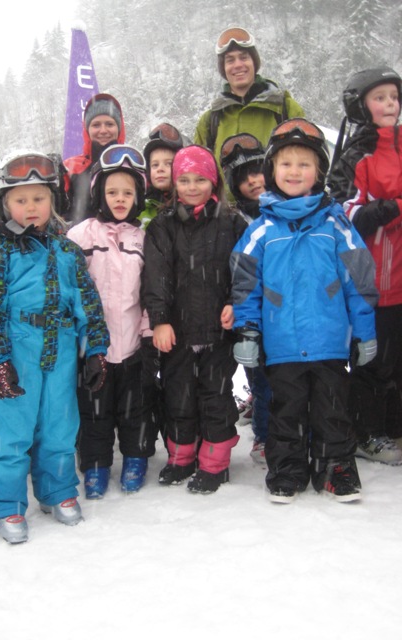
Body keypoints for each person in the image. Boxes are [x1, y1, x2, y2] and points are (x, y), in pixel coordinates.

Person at [0, 151, 109, 544]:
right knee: (10, 430)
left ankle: (57, 490)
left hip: (60, 348)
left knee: (60, 426)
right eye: (21, 200)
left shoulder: (66, 249)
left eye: (39, 198)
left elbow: (88, 302)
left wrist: (95, 349)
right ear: (5, 204)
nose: (31, 207)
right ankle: (5, 504)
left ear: (52, 201)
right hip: (16, 348)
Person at [230, 118, 379, 503]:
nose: (294, 171)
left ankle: (335, 469)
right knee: (286, 411)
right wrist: (247, 329)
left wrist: (365, 331)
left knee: (332, 411)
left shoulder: (336, 224)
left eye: (304, 164)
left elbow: (359, 279)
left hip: (330, 342)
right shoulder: (261, 230)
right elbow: (245, 285)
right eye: (286, 163)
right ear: (272, 170)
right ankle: (287, 471)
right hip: (282, 344)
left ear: (319, 172)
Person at [143, 145, 247, 493]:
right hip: (178, 331)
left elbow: (245, 270)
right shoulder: (163, 225)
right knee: (179, 396)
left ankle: (215, 463)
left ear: (213, 182)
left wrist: (236, 303)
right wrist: (160, 320)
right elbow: (156, 275)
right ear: (174, 183)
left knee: (216, 397)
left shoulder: (232, 222)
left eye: (200, 179)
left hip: (219, 332)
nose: (191, 187)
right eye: (184, 180)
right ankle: (181, 457)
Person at [67, 144, 157, 498]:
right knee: (94, 411)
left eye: (128, 193)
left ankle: (136, 457)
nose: (120, 199)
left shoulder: (144, 238)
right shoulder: (81, 235)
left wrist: (148, 334)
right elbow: (69, 289)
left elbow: (152, 289)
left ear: (138, 197)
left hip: (132, 343)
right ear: (99, 195)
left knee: (136, 408)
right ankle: (96, 464)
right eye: (112, 192)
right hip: (93, 347)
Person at [329, 67, 402, 465]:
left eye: (394, 97)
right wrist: (392, 207)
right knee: (372, 360)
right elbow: (344, 213)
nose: (390, 104)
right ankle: (366, 431)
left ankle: (393, 426)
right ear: (360, 106)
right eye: (380, 97)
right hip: (374, 279)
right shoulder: (358, 153)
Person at [194, 27, 304, 180]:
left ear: (254, 62)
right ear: (223, 68)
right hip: (226, 197)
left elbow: (305, 164)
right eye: (230, 60)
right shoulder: (210, 121)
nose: (238, 65)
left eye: (244, 57)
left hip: (276, 196)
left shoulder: (285, 109)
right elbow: (197, 174)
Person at [220, 133, 271, 464]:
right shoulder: (236, 220)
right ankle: (264, 436)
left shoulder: (285, 209)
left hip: (283, 310)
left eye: (258, 172)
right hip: (252, 311)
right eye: (243, 177)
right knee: (261, 378)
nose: (253, 181)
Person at [64, 93, 125, 223]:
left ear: (119, 128)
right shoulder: (71, 167)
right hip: (80, 235)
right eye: (96, 125)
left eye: (109, 124)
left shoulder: (132, 163)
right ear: (87, 129)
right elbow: (58, 210)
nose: (103, 130)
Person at [139, 123, 185, 230]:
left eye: (168, 164)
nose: (160, 169)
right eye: (155, 165)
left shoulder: (190, 203)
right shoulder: (141, 208)